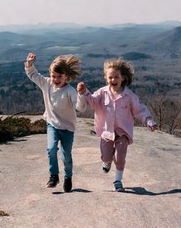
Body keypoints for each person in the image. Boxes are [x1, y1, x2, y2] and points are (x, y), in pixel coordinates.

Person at [77, 58, 157, 192]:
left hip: (123, 132)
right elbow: (92, 103)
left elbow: (139, 110)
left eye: (116, 77)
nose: (113, 80)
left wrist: (149, 121)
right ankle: (107, 162)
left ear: (123, 78)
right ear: (106, 79)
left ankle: (118, 181)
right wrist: (84, 92)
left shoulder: (129, 96)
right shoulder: (102, 93)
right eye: (110, 77)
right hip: (106, 132)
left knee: (119, 157)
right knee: (107, 156)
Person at [25, 52, 82, 193]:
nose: (56, 79)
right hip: (52, 124)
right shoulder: (46, 84)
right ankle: (54, 176)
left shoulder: (70, 91)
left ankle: (68, 177)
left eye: (59, 77)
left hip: (67, 128)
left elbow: (79, 107)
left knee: (66, 156)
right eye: (53, 76)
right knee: (51, 149)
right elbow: (33, 75)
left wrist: (81, 95)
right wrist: (29, 64)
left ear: (66, 77)